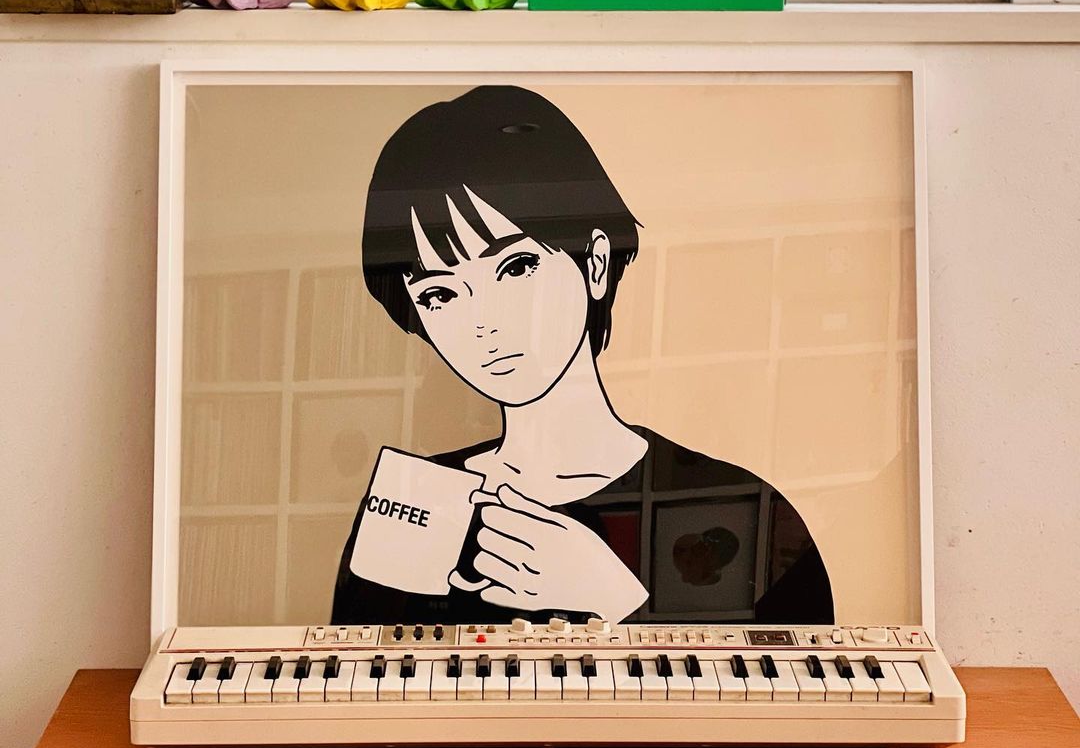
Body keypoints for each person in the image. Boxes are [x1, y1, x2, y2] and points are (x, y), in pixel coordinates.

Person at [332, 86, 833, 624]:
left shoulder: (740, 502)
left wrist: (612, 598)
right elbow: (354, 671)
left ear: (595, 262)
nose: (481, 322)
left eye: (515, 268)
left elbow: (798, 672)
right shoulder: (411, 506)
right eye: (440, 295)